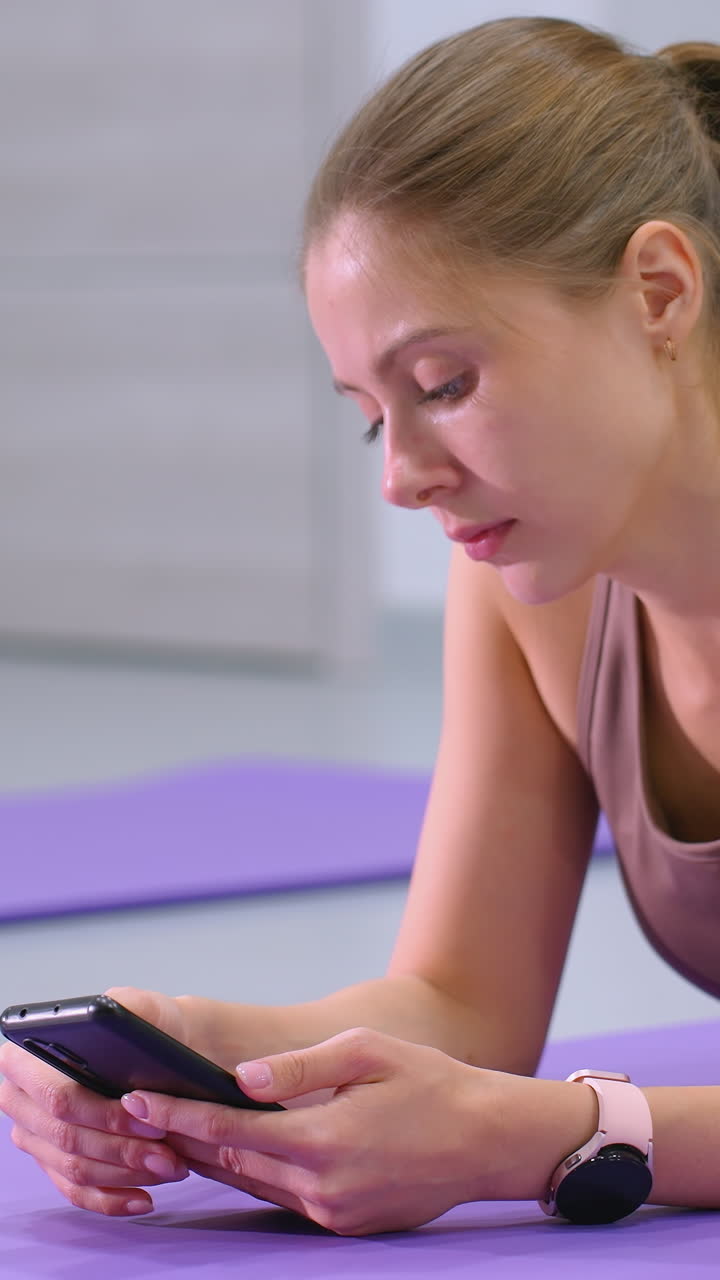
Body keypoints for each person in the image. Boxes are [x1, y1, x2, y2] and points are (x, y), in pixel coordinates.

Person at [2, 14, 720, 1236]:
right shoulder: (521, 587)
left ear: (658, 290)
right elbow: (462, 1000)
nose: (402, 476)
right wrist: (217, 1055)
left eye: (444, 383)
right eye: (372, 413)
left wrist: (553, 1133)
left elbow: (509, 1093)